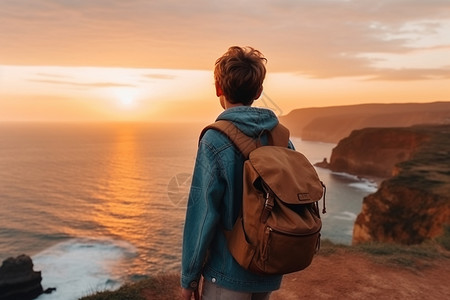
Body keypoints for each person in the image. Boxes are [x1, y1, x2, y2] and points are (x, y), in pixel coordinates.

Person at [181, 46, 293, 300]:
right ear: (259, 91)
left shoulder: (214, 139)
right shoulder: (280, 136)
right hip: (268, 265)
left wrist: (189, 278)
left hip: (228, 269)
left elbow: (203, 213)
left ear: (218, 88)